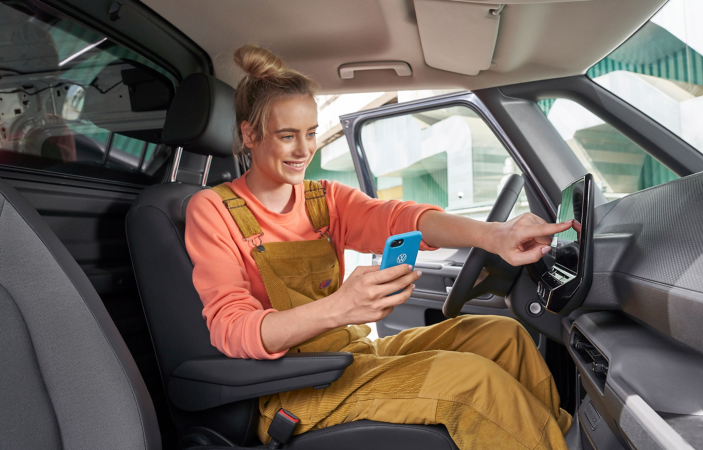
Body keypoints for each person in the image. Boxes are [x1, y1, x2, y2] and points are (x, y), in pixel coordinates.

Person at [185, 44, 574, 450]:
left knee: (503, 336)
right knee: (474, 383)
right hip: (295, 387)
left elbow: (401, 218)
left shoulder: (324, 198)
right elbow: (231, 329)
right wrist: (340, 306)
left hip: (354, 355)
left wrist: (494, 235)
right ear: (250, 134)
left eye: (311, 133)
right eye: (287, 136)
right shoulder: (212, 210)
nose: (304, 151)